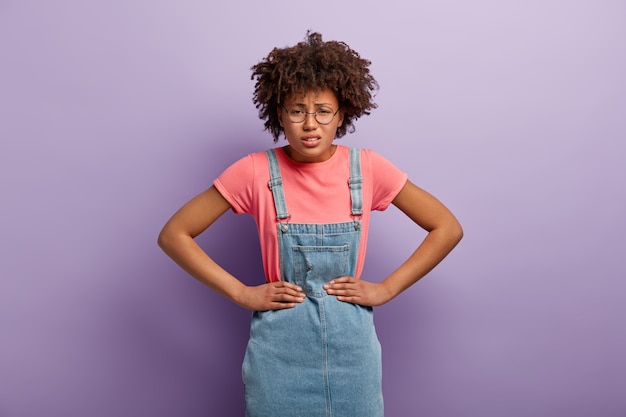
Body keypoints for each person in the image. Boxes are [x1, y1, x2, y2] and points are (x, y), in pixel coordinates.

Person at [158, 31, 463, 417]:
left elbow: (446, 227)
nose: (310, 123)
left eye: (323, 110)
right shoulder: (255, 171)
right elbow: (174, 234)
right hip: (278, 353)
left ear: (342, 115)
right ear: (279, 114)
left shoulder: (367, 168)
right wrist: (240, 293)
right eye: (297, 110)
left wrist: (387, 288)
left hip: (353, 353)